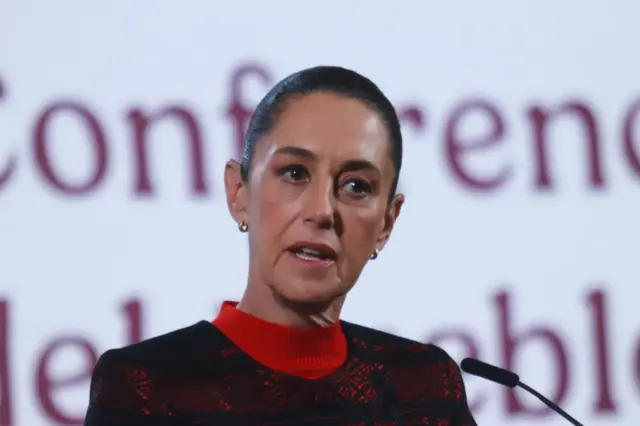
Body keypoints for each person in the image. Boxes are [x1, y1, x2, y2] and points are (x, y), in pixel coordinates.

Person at [84, 66, 477, 425]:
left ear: (386, 224)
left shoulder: (425, 387)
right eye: (294, 173)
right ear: (239, 192)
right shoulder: (146, 388)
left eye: (357, 186)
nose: (322, 211)